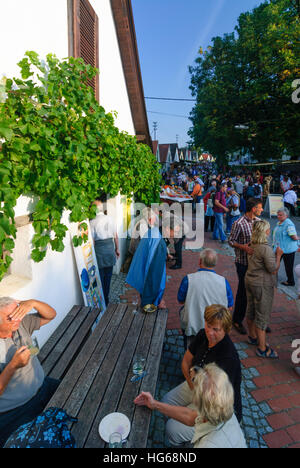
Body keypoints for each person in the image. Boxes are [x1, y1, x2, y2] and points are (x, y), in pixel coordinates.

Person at [157, 305, 242, 446]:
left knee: (172, 428)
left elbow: (214, 408)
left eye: (216, 329)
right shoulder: (203, 334)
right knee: (166, 400)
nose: (210, 332)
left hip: (216, 408)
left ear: (226, 330)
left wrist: (194, 404)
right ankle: (185, 437)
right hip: (197, 387)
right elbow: (185, 361)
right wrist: (192, 386)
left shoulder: (228, 359)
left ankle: (185, 441)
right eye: (208, 326)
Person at [134, 363, 246, 448]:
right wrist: (155, 404)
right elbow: (191, 416)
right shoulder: (223, 409)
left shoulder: (208, 445)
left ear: (196, 402)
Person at [0, 297, 59, 447]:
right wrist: (13, 365)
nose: (18, 319)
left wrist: (32, 302)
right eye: (11, 317)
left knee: (76, 393)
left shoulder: (21, 324)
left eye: (18, 312)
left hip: (43, 387)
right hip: (15, 411)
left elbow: (51, 315)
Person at [177, 249, 234, 349]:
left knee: (183, 311)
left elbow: (180, 300)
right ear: (215, 264)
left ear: (200, 262)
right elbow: (229, 307)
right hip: (215, 326)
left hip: (192, 326)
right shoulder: (223, 282)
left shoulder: (188, 279)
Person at [245, 220, 283, 359]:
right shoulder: (265, 248)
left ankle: (252, 336)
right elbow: (273, 269)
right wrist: (278, 255)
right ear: (265, 232)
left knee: (251, 309)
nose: (269, 231)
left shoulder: (251, 244)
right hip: (262, 284)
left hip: (250, 279)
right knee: (262, 314)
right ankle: (262, 348)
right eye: (268, 229)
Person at [229, 198, 264, 335]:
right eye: (260, 207)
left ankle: (258, 321)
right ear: (253, 208)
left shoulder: (259, 222)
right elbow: (231, 240)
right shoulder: (239, 223)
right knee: (243, 292)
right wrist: (243, 247)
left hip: (257, 263)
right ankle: (237, 320)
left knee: (257, 292)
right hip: (243, 263)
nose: (262, 210)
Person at [126, 221, 167, 308]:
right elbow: (154, 275)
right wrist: (158, 299)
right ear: (167, 228)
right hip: (149, 291)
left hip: (142, 277)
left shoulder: (153, 231)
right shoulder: (159, 242)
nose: (176, 234)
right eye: (175, 231)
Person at [90, 196, 120, 306]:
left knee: (100, 276)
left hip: (99, 251)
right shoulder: (110, 219)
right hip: (110, 249)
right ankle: (106, 298)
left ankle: (102, 300)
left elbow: (92, 242)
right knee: (108, 276)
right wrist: (117, 249)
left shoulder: (92, 222)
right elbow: (115, 236)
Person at [272, 207, 299, 287]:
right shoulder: (280, 222)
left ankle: (290, 282)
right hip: (279, 248)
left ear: (286, 215)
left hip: (288, 249)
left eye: (280, 215)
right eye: (278, 215)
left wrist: (298, 238)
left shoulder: (289, 224)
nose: (278, 216)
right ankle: (273, 280)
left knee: (288, 266)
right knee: (275, 264)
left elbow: (293, 237)